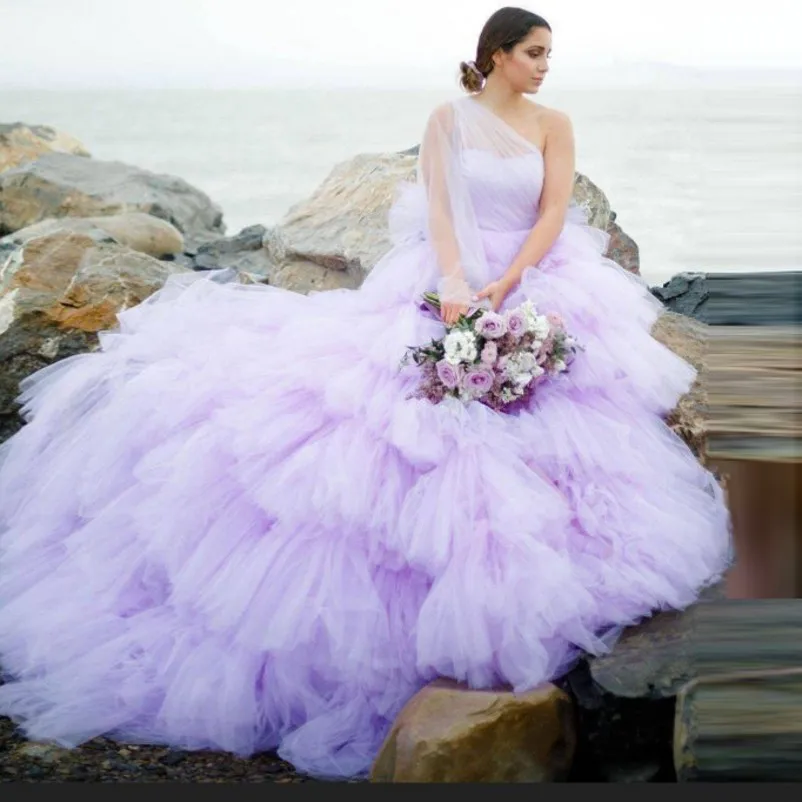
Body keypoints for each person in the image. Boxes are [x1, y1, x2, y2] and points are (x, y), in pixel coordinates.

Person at [0, 6, 731, 781]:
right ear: (495, 56)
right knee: (397, 418)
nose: (546, 65)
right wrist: (457, 287)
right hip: (447, 280)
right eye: (534, 53)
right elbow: (444, 213)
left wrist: (514, 279)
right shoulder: (448, 119)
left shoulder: (553, 122)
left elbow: (554, 209)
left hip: (541, 276)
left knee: (568, 411)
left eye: (549, 53)